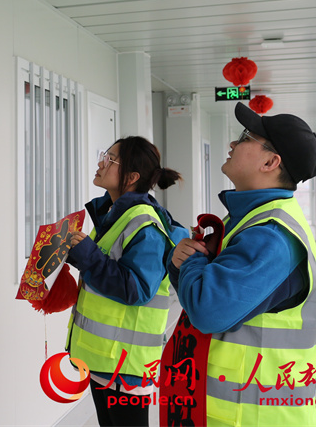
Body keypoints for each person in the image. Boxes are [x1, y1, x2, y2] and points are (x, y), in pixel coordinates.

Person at [167, 102, 316, 426]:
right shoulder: (251, 219)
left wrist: (192, 261)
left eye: (245, 137)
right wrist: (186, 264)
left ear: (270, 161)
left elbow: (209, 310)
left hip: (250, 417)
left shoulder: (272, 236)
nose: (232, 144)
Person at [66, 136, 189, 426]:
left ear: (131, 177)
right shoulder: (113, 215)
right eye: (103, 156)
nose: (100, 163)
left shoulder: (144, 224)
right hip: (105, 359)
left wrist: (88, 256)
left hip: (126, 364)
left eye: (109, 159)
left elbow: (137, 289)